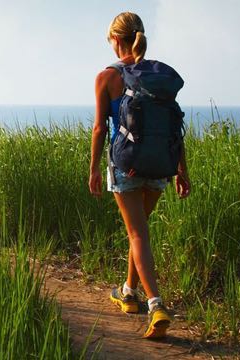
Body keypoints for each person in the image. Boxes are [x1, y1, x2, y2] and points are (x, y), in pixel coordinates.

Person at [86, 12, 193, 340]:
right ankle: (128, 292)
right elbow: (175, 127)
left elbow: (100, 128)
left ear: (116, 40)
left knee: (137, 235)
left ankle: (156, 304)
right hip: (160, 165)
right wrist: (181, 169)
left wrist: (92, 169)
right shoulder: (159, 75)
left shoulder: (107, 77)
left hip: (126, 166)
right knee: (140, 232)